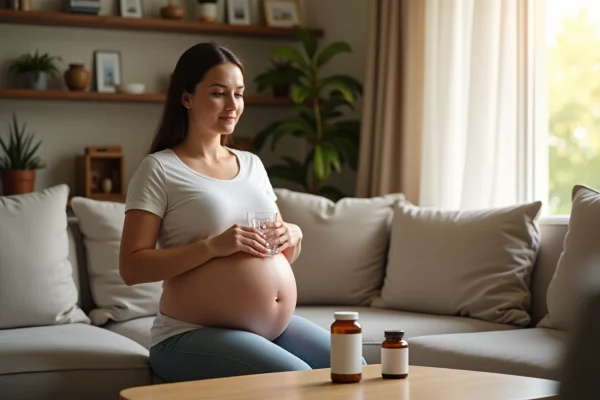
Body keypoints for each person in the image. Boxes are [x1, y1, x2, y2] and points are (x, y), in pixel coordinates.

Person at [118, 43, 335, 383]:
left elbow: (278, 255)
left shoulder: (251, 164)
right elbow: (131, 267)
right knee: (296, 378)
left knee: (354, 364)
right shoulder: (159, 169)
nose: (233, 105)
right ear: (186, 97)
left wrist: (293, 235)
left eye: (239, 94)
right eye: (219, 93)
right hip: (188, 334)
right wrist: (212, 247)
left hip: (268, 329)